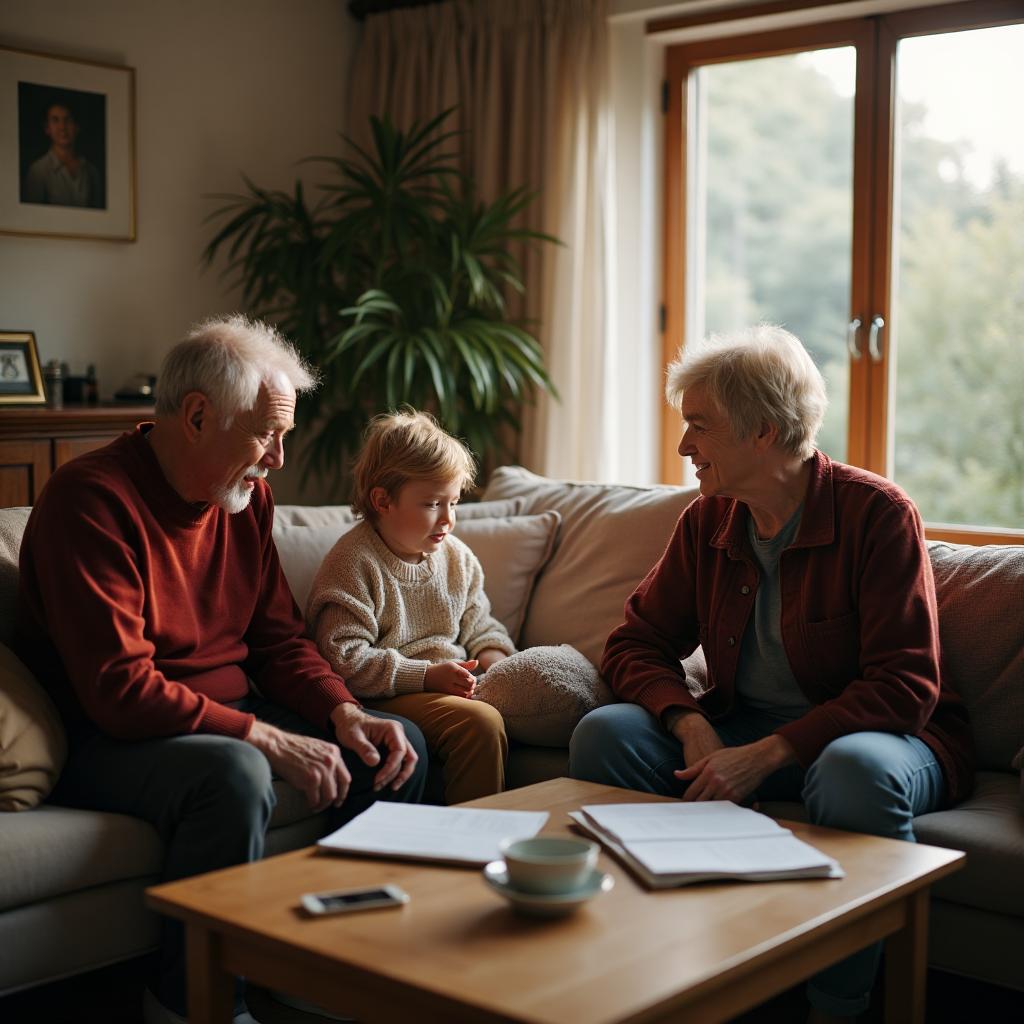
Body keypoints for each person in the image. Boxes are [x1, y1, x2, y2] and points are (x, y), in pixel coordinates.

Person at [15, 315, 428, 1024]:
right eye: (269, 433)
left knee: (395, 748)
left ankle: (322, 970)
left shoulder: (245, 502)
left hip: (217, 717)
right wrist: (259, 737)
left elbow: (277, 640)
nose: (279, 459)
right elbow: (119, 689)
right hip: (111, 737)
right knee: (233, 774)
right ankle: (193, 1004)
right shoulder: (90, 503)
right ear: (199, 416)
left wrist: (342, 710)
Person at [569, 325, 973, 1023]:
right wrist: (688, 721)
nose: (683, 447)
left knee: (854, 771)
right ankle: (664, 969)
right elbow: (635, 642)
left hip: (888, 740)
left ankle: (836, 1007)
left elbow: (905, 687)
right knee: (607, 734)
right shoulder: (709, 521)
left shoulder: (878, 514)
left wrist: (769, 755)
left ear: (761, 430)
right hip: (741, 725)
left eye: (699, 426)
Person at [307, 409, 515, 804]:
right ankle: (474, 840)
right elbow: (342, 659)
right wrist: (425, 676)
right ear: (383, 501)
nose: (448, 519)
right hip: (385, 697)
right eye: (432, 504)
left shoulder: (457, 558)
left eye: (453, 503)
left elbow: (480, 623)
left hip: (450, 685)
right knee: (481, 724)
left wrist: (493, 657)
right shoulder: (354, 562)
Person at [23, 98, 102, 208]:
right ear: (47, 128)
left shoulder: (91, 172)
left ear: (77, 127)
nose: (62, 127)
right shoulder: (38, 171)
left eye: (68, 120)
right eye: (55, 120)